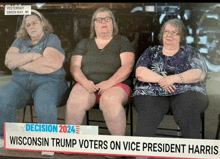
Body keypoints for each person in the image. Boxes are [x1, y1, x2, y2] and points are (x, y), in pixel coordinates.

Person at [0, 10, 70, 146]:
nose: (31, 27)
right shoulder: (20, 41)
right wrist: (33, 57)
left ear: (42, 23)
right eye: (28, 25)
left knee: (44, 100)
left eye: (34, 23)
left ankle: (48, 141)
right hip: (20, 83)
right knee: (3, 95)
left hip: (49, 81)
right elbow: (8, 61)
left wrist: (20, 65)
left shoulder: (51, 38)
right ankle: (3, 137)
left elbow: (50, 64)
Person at [132, 19, 209, 139]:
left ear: (181, 36)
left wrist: (172, 79)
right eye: (166, 31)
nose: (169, 35)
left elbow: (199, 74)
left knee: (188, 109)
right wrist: (162, 80)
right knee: (148, 111)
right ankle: (142, 156)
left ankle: (191, 154)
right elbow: (140, 72)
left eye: (174, 32)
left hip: (187, 92)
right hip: (151, 92)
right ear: (161, 34)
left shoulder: (191, 52)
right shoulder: (151, 52)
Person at [65, 7, 135, 136]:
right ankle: (69, 141)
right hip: (87, 84)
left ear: (113, 23)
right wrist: (85, 82)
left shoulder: (122, 41)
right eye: (99, 20)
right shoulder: (84, 43)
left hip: (117, 85)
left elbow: (127, 66)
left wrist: (109, 83)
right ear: (93, 24)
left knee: (109, 100)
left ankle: (118, 147)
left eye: (107, 19)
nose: (103, 22)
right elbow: (75, 67)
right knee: (75, 100)